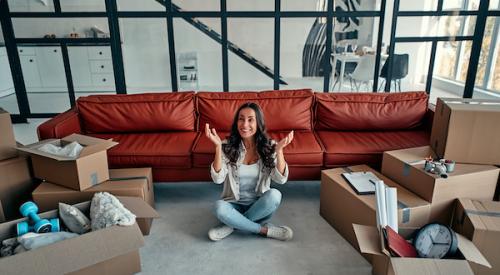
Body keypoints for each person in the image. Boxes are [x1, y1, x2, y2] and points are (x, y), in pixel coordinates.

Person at [205, 102, 294, 241]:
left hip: (259, 206)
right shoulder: (226, 146)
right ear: (236, 122)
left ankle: (232, 225)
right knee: (218, 207)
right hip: (233, 204)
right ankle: (263, 230)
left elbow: (281, 180)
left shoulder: (269, 146)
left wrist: (279, 151)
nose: (245, 124)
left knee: (275, 195)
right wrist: (217, 147)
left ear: (258, 123)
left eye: (250, 119)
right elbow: (218, 179)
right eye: (241, 119)